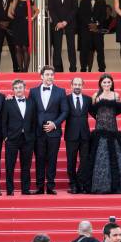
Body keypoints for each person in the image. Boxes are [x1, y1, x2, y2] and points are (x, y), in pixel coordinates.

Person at [88, 74, 121, 193]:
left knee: (115, 156)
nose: (107, 84)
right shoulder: (95, 96)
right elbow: (92, 111)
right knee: (100, 156)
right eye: (104, 82)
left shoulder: (116, 95)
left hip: (113, 129)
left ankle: (117, 186)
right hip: (100, 129)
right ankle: (99, 186)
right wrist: (100, 118)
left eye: (109, 82)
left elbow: (120, 110)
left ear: (112, 83)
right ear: (100, 84)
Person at [29, 65, 69, 194]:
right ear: (41, 76)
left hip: (54, 131)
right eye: (47, 74)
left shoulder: (61, 91)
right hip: (38, 132)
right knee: (39, 159)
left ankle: (51, 186)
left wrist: (55, 124)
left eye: (52, 74)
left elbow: (65, 111)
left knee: (52, 159)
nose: (50, 77)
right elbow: (29, 110)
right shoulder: (33, 91)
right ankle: (40, 187)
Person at [2, 79, 36, 195]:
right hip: (12, 138)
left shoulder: (31, 102)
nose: (18, 90)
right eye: (16, 88)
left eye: (20, 87)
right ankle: (10, 190)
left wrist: (33, 136)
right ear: (13, 90)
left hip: (27, 138)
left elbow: (34, 120)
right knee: (10, 165)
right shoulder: (7, 102)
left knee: (26, 166)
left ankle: (25, 189)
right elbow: (3, 121)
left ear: (24, 88)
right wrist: (5, 136)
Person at [65, 77, 91, 194]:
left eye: (79, 84)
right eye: (75, 84)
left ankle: (81, 183)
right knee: (71, 161)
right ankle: (73, 184)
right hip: (71, 135)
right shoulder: (65, 99)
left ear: (83, 86)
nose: (77, 86)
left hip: (85, 135)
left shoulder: (88, 99)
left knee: (84, 161)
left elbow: (96, 112)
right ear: (71, 86)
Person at [48, 0, 78, 72]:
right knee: (57, 47)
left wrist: (65, 22)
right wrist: (57, 22)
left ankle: (73, 69)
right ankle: (57, 70)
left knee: (71, 47)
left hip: (69, 23)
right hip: (57, 24)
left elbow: (74, 9)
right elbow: (51, 9)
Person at [8, 0, 39, 72]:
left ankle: (25, 70)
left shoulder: (29, 1)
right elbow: (9, 14)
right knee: (17, 47)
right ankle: (21, 70)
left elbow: (37, 11)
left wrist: (31, 18)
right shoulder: (14, 1)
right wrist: (16, 19)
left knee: (25, 47)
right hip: (16, 26)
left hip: (25, 26)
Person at [78, 0, 106, 72]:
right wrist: (89, 24)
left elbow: (104, 15)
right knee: (84, 51)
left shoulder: (102, 1)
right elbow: (81, 15)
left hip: (97, 31)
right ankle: (83, 68)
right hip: (86, 30)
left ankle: (101, 69)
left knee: (100, 51)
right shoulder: (83, 2)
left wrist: (96, 24)